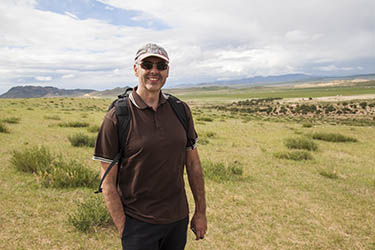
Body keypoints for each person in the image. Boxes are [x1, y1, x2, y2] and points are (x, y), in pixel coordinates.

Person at [93, 43, 207, 250]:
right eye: (147, 64)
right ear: (136, 69)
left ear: (167, 72)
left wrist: (200, 212)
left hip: (177, 220)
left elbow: (193, 165)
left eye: (161, 66)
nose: (154, 71)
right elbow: (107, 182)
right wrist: (125, 230)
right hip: (138, 223)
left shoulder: (180, 110)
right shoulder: (118, 116)